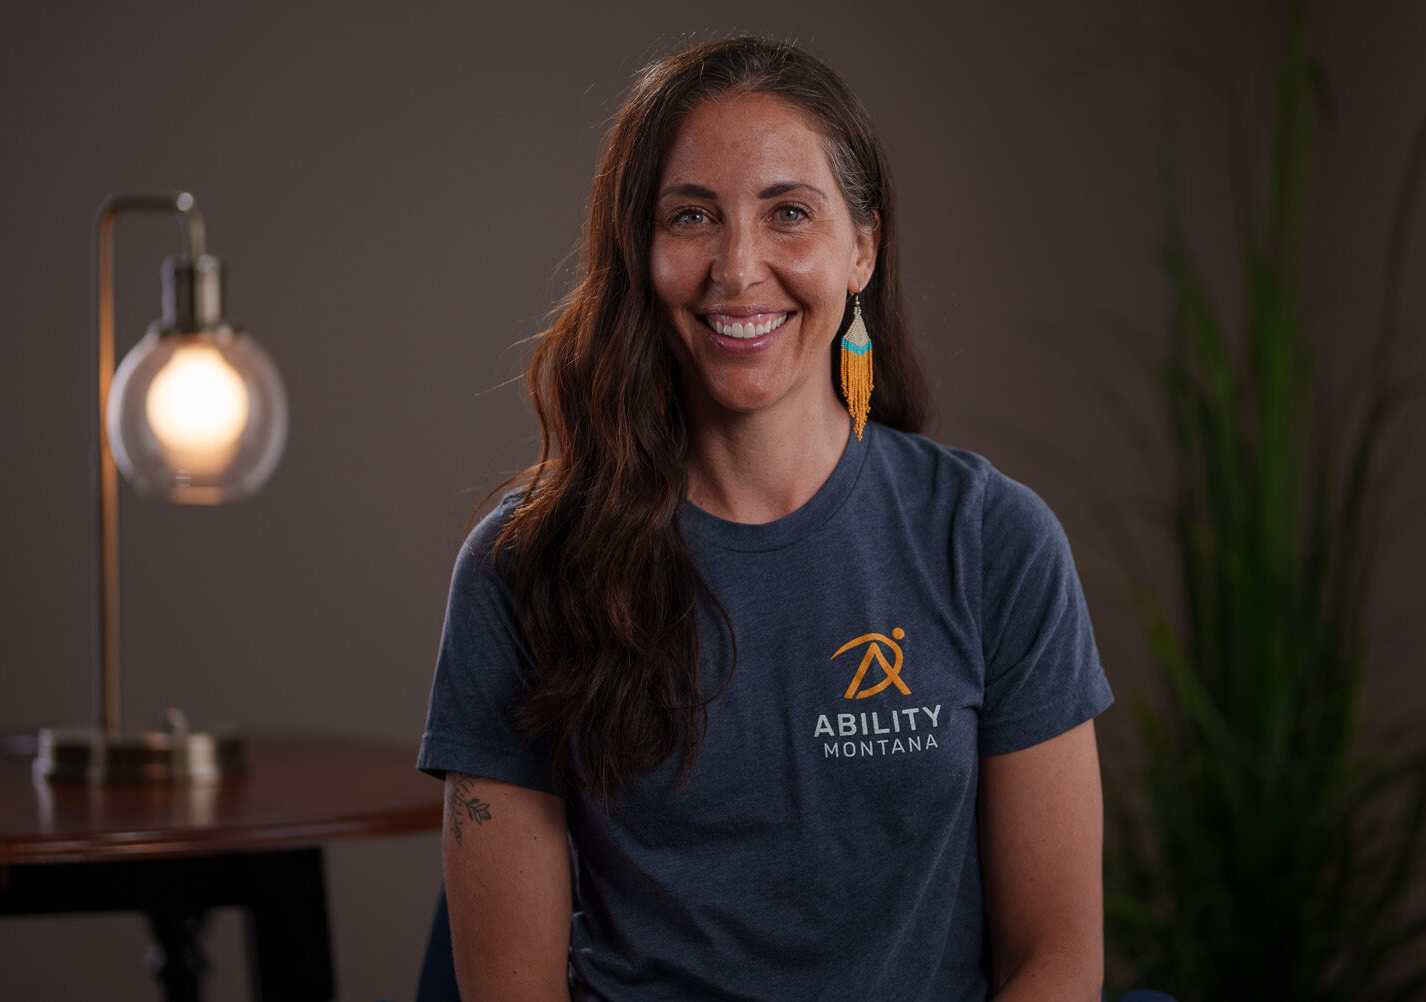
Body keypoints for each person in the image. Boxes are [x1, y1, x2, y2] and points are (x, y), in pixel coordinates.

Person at [418, 35, 1112, 1002]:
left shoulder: (994, 542)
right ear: (639, 250)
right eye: (691, 216)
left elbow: (1057, 963)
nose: (737, 268)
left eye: (789, 213)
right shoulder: (523, 565)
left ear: (860, 248)